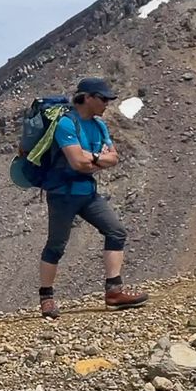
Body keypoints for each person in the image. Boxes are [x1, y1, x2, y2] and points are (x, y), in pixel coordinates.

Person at [38, 77, 149, 318]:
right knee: (56, 245)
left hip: (87, 192)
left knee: (116, 231)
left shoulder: (100, 125)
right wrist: (97, 159)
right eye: (102, 98)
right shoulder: (66, 124)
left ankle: (114, 292)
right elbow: (78, 162)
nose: (107, 103)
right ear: (87, 97)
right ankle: (46, 298)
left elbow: (114, 158)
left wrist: (91, 158)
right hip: (62, 195)